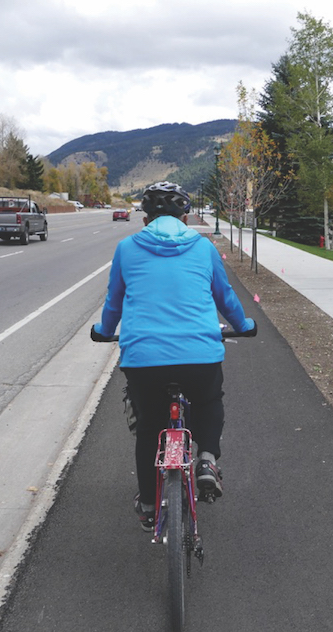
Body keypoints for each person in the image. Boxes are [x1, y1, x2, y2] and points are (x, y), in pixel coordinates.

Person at [92, 181, 256, 531]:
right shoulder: (203, 247)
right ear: (185, 216)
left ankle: (150, 503)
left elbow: (114, 302)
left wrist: (105, 332)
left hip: (143, 358)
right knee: (210, 400)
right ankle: (208, 460)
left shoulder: (126, 248)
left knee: (149, 428)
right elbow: (224, 296)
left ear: (146, 218)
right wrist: (244, 324)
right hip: (200, 354)